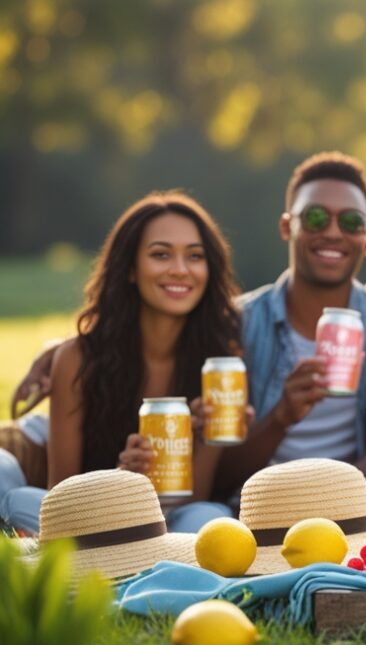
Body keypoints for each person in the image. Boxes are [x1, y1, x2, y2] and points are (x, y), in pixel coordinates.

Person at [0, 192, 238, 534]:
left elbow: (193, 499)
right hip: (91, 522)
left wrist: (206, 438)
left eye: (195, 256)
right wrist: (119, 479)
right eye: (161, 255)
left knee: (210, 517)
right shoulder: (77, 359)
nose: (180, 270)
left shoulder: (219, 363)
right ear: (129, 268)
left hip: (170, 525)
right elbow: (59, 496)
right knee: (18, 498)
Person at [215, 151, 366, 506]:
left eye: (352, 222)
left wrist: (319, 513)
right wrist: (281, 417)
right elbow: (218, 476)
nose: (332, 233)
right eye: (315, 218)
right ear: (287, 227)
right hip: (250, 511)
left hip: (349, 514)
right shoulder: (239, 322)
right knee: (201, 517)